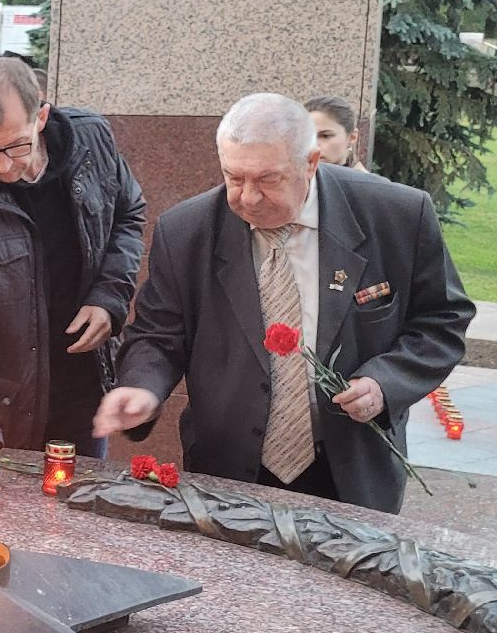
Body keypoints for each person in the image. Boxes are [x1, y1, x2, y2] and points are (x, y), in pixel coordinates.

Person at [94, 93, 475, 514]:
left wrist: (385, 382)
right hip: (228, 469)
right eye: (234, 177)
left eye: (268, 179)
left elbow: (442, 320)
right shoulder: (186, 230)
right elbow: (158, 333)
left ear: (311, 163)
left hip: (352, 469)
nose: (248, 198)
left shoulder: (396, 214)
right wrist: (142, 386)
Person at [0, 57, 147, 490]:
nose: (5, 165)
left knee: (76, 509)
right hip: (2, 399)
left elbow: (128, 213)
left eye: (17, 146)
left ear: (40, 117)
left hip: (80, 384)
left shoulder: (92, 139)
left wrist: (109, 297)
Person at [305, 95, 369, 172]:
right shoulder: (297, 176)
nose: (314, 145)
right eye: (308, 136)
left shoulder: (364, 179)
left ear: (352, 137)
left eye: (325, 136)